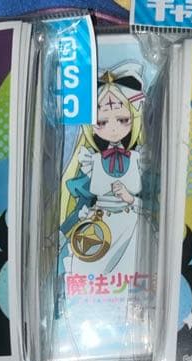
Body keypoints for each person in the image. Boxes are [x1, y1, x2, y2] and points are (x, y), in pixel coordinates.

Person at [61, 62, 146, 275]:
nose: (114, 128)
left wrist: (130, 198)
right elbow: (82, 201)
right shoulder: (91, 161)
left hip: (132, 226)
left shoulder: (139, 158)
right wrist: (61, 233)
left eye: (123, 119)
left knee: (132, 271)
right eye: (102, 122)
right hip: (99, 225)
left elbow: (153, 205)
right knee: (89, 271)